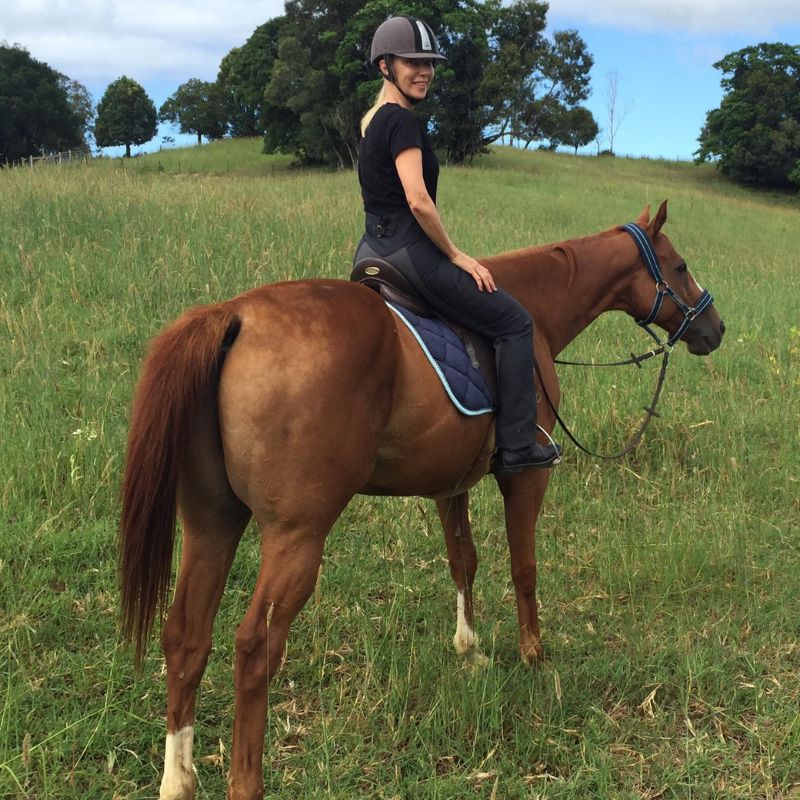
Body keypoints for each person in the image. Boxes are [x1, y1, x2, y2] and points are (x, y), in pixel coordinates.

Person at [354, 15, 561, 474]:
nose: (425, 71)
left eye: (429, 63)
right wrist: (455, 255)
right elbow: (418, 200)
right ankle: (516, 447)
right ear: (385, 66)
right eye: (413, 62)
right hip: (410, 254)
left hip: (370, 252)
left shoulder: (373, 123)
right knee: (514, 323)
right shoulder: (402, 122)